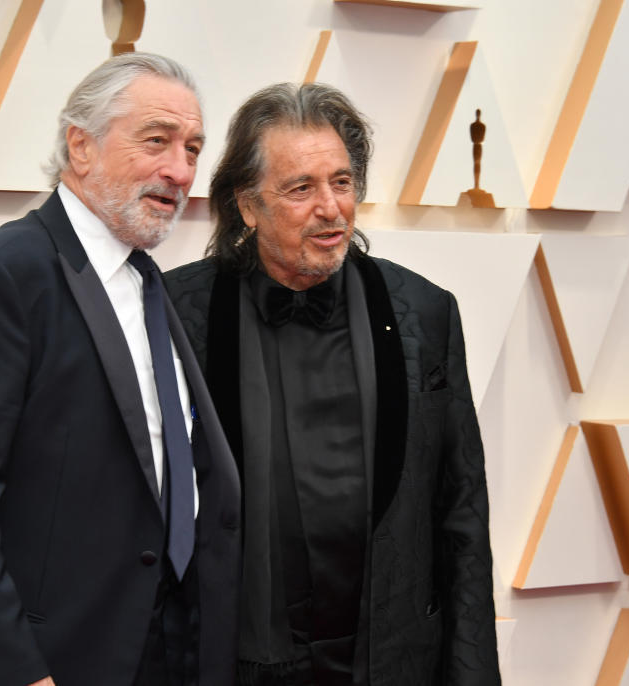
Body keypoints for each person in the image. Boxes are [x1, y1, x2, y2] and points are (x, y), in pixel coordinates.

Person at [0, 53, 241, 686]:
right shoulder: (2, 277)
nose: (180, 170)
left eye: (192, 148)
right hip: (44, 663)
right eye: (156, 141)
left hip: (151, 647)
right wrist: (16, 671)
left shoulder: (144, 280)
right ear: (81, 146)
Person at [165, 82, 500, 686]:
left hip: (391, 661)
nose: (331, 208)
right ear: (247, 204)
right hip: (234, 663)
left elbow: (462, 516)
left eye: (342, 183)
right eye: (301, 188)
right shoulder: (173, 314)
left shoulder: (425, 312)